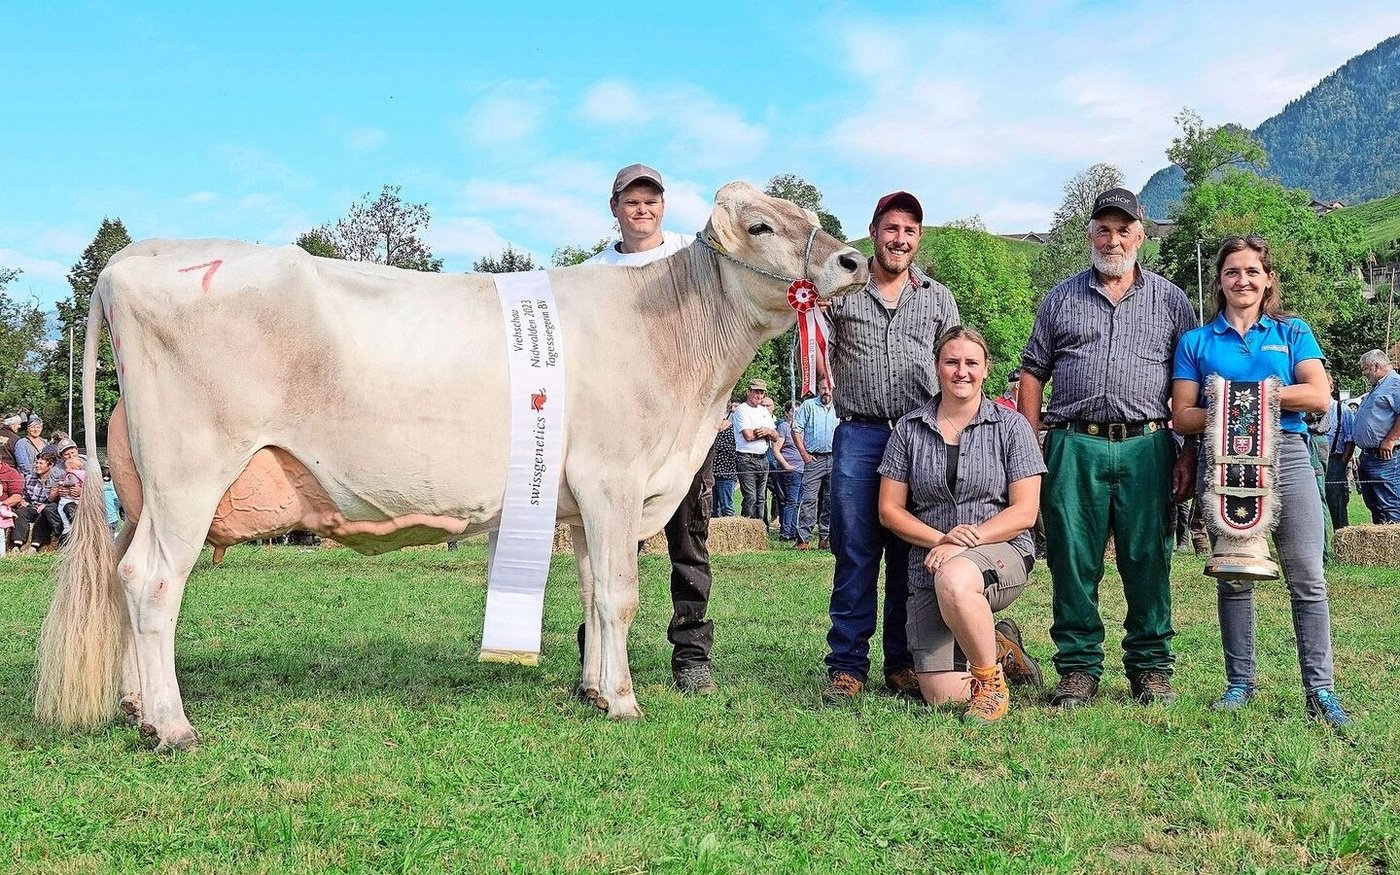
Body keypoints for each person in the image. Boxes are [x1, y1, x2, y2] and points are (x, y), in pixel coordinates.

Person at [1019, 187, 1197, 708]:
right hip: (1074, 443)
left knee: (1148, 557)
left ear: (1141, 236)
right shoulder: (1061, 297)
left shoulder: (1171, 300)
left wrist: (1186, 450)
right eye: (1103, 229)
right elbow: (1031, 374)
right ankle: (1077, 668)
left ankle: (1151, 667)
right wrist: (1029, 448)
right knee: (1072, 559)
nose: (1113, 239)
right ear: (1088, 234)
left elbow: (1190, 380)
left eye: (1124, 230)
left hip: (1148, 444)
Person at [1171, 234, 1350, 727]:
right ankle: (1239, 683)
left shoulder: (1292, 333)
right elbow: (1183, 415)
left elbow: (1318, 396)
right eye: (1232, 272)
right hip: (1224, 460)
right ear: (1220, 281)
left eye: (1252, 271)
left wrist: (1251, 394)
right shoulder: (1197, 341)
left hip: (1288, 456)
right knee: (1234, 574)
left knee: (1308, 576)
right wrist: (1228, 402)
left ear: (1268, 279)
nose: (1242, 280)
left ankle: (1320, 690)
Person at [820, 191, 964, 704]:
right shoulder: (841, 293)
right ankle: (847, 665)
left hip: (919, 435)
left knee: (911, 552)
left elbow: (956, 361)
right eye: (891, 228)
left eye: (910, 230)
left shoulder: (938, 297)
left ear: (918, 238)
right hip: (859, 433)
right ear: (874, 231)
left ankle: (902, 662)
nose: (900, 239)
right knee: (856, 552)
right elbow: (811, 349)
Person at [582, 162, 718, 693]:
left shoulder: (693, 257)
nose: (643, 210)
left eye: (651, 201)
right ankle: (596, 652)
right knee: (610, 543)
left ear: (664, 206)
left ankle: (691, 653)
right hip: (616, 430)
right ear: (614, 209)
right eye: (631, 202)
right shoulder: (594, 273)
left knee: (689, 538)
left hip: (684, 424)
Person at [878, 326, 1046, 723]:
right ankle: (1002, 645)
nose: (961, 371)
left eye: (971, 363)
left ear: (986, 369)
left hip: (1000, 551)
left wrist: (968, 541)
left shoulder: (1012, 426)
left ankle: (990, 683)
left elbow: (1024, 511)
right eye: (952, 362)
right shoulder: (909, 428)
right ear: (937, 366)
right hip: (931, 560)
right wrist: (942, 539)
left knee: (955, 578)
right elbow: (890, 510)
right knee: (943, 697)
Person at [1354, 349, 1400, 524]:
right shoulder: (1378, 387)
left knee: (1391, 505)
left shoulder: (1395, 383)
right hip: (1369, 456)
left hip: (1386, 457)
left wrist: (1389, 440)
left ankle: (1395, 548)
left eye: (1365, 369)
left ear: (1376, 366)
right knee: (1376, 506)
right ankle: (1383, 549)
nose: (1364, 373)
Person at [793, 379, 837, 550]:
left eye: (828, 388)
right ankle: (803, 538)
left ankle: (825, 537)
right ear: (818, 389)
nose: (826, 391)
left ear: (833, 389)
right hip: (814, 459)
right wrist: (804, 454)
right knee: (809, 499)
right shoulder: (808, 405)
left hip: (834, 458)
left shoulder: (838, 407)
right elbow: (796, 429)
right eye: (823, 388)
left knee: (831, 500)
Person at [731, 380, 779, 520]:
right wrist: (766, 432)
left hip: (762, 458)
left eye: (761, 392)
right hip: (746, 458)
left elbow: (775, 436)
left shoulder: (764, 411)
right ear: (749, 392)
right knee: (750, 497)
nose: (759, 395)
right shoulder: (741, 410)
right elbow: (748, 436)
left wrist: (766, 431)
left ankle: (760, 529)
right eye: (756, 392)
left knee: (761, 498)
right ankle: (747, 528)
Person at [1324, 376, 1356, 530]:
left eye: (1326, 384)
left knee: (1337, 504)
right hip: (1313, 462)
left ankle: (1342, 540)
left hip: (1334, 461)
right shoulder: (1307, 411)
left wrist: (1343, 462)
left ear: (1332, 387)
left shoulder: (1342, 410)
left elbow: (1351, 439)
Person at [775, 403, 804, 541]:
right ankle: (785, 532)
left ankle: (793, 530)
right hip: (792, 470)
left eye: (798, 411)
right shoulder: (784, 427)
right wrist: (786, 465)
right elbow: (776, 449)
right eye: (793, 411)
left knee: (798, 502)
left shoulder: (801, 428)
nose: (796, 414)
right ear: (786, 413)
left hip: (803, 469)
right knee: (791, 501)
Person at [710, 401, 739, 518]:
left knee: (726, 505)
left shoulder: (732, 428)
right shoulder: (710, 429)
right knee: (712, 508)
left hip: (726, 472)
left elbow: (733, 448)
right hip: (711, 473)